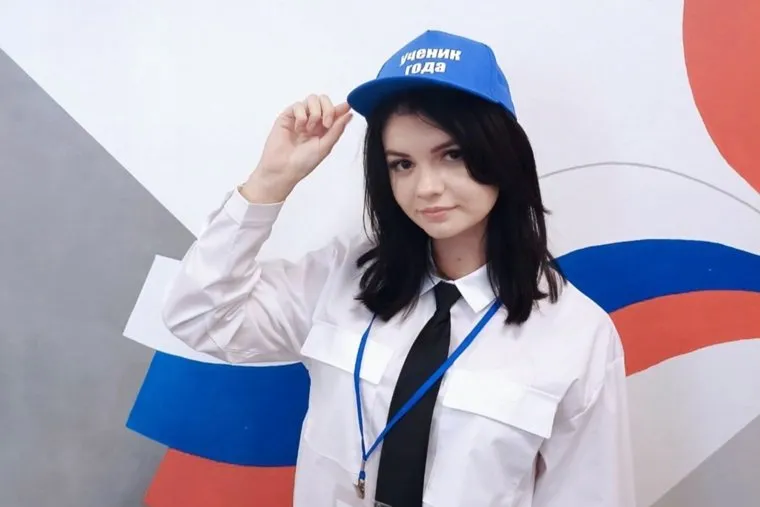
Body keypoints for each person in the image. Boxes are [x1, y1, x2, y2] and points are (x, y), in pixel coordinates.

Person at [162, 29, 635, 507]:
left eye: (452, 155)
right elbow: (200, 316)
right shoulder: (342, 278)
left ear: (502, 154)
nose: (426, 187)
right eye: (402, 164)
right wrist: (270, 181)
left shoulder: (577, 336)